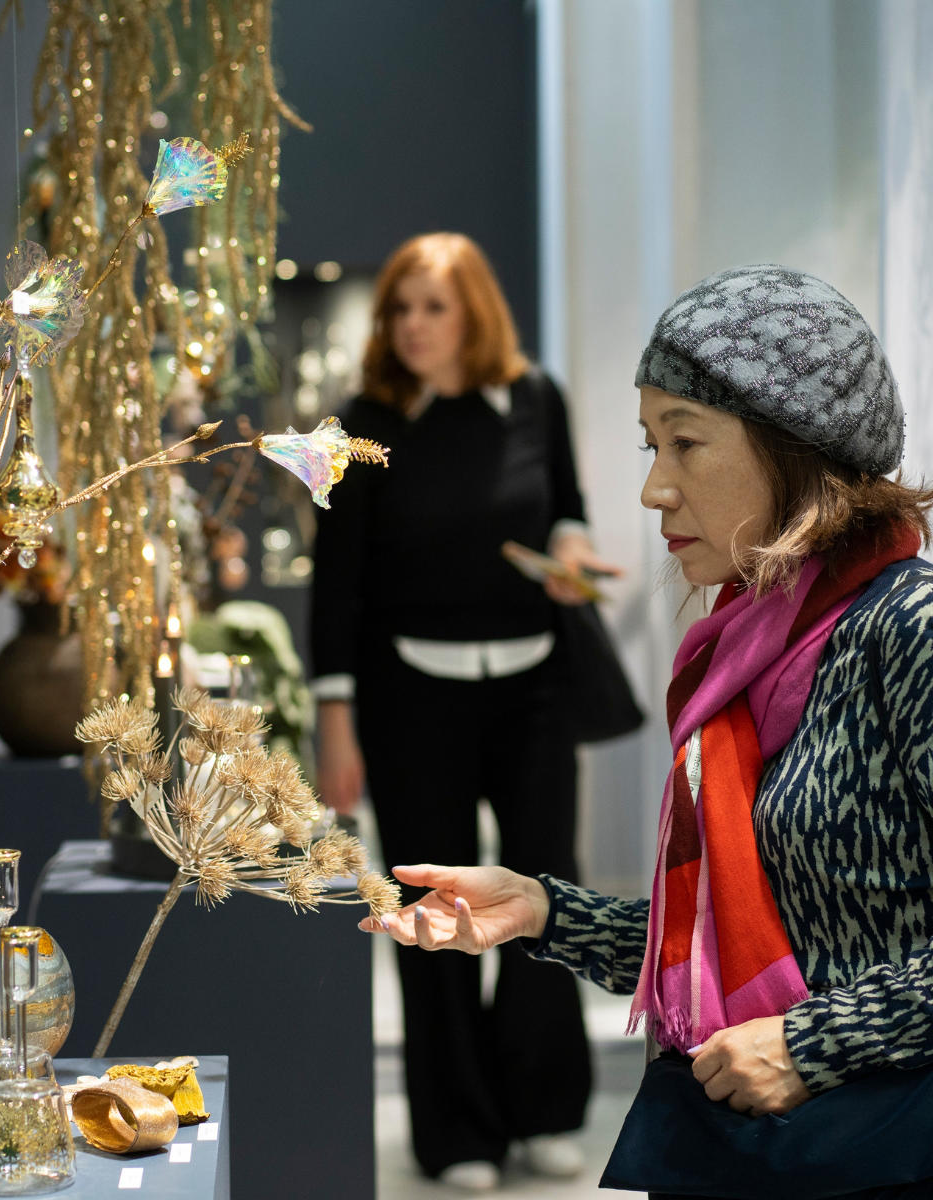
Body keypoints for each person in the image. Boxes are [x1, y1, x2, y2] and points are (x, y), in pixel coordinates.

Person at [359, 263, 933, 1199]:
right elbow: (734, 932)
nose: (654, 490)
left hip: (875, 1153)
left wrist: (809, 1042)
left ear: (793, 447)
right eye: (648, 447)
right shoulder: (747, 651)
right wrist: (542, 911)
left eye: (686, 444)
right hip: (761, 1144)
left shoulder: (908, 631)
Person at [310, 232, 621, 1190]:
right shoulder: (356, 424)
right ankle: (455, 1132)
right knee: (431, 905)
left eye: (432, 308)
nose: (411, 326)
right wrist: (335, 719)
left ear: (474, 312)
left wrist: (572, 556)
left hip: (532, 684)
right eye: (399, 309)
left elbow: (564, 504)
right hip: (410, 695)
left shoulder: (536, 398)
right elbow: (336, 587)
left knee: (542, 892)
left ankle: (543, 1107)